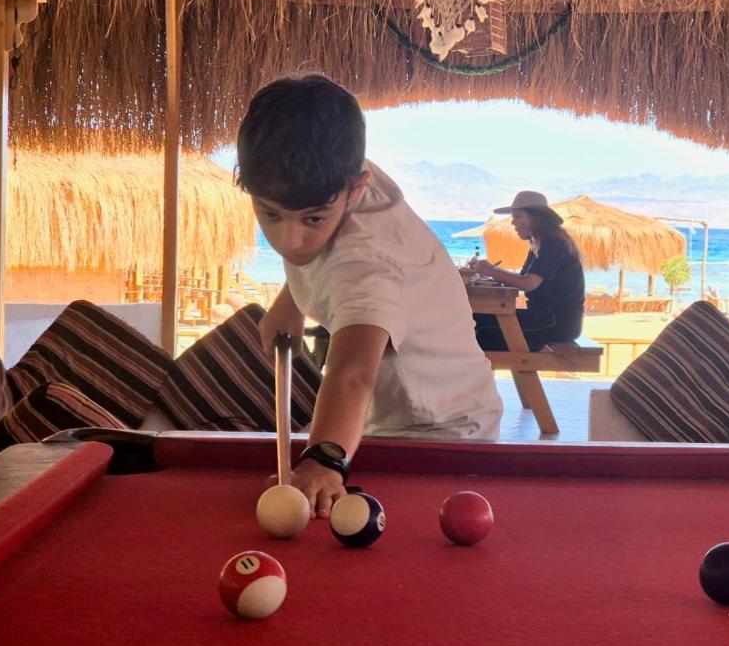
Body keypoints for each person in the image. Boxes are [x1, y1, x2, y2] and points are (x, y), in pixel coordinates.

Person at [236, 73, 503, 518]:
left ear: (356, 189)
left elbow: (353, 372)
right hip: (383, 416)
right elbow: (309, 250)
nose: (290, 241)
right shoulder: (326, 165)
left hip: (443, 428)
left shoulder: (369, 263)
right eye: (271, 214)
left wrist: (324, 459)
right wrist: (292, 299)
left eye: (314, 219)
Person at [471, 191, 585, 351]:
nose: (513, 222)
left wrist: (491, 270)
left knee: (477, 332)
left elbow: (527, 283)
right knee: (475, 319)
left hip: (555, 323)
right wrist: (493, 271)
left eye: (517, 217)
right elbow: (525, 279)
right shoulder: (541, 243)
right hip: (547, 318)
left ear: (536, 217)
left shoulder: (553, 243)